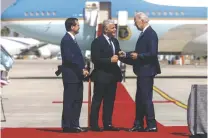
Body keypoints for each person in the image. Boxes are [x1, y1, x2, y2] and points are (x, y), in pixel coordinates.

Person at [119, 12, 161, 132]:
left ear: (142, 21)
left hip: (147, 71)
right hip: (142, 71)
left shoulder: (151, 34)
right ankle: (138, 124)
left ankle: (151, 124)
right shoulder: (144, 34)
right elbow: (138, 52)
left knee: (146, 98)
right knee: (140, 99)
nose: (134, 24)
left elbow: (152, 54)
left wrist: (139, 56)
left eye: (135, 21)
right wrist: (125, 55)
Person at [89, 19, 122, 132]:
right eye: (113, 28)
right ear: (106, 29)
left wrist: (121, 54)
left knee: (109, 101)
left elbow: (117, 54)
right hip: (101, 76)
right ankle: (94, 124)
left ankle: (107, 123)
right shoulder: (97, 42)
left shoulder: (115, 41)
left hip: (112, 76)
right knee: (97, 101)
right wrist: (109, 60)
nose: (115, 30)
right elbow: (95, 59)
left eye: (115, 27)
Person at [60, 18, 89, 133]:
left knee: (77, 100)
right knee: (70, 101)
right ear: (72, 27)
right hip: (71, 76)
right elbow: (69, 58)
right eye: (77, 25)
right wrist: (81, 69)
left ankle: (74, 125)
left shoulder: (72, 39)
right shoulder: (66, 40)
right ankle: (67, 125)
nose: (79, 27)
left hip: (76, 75)